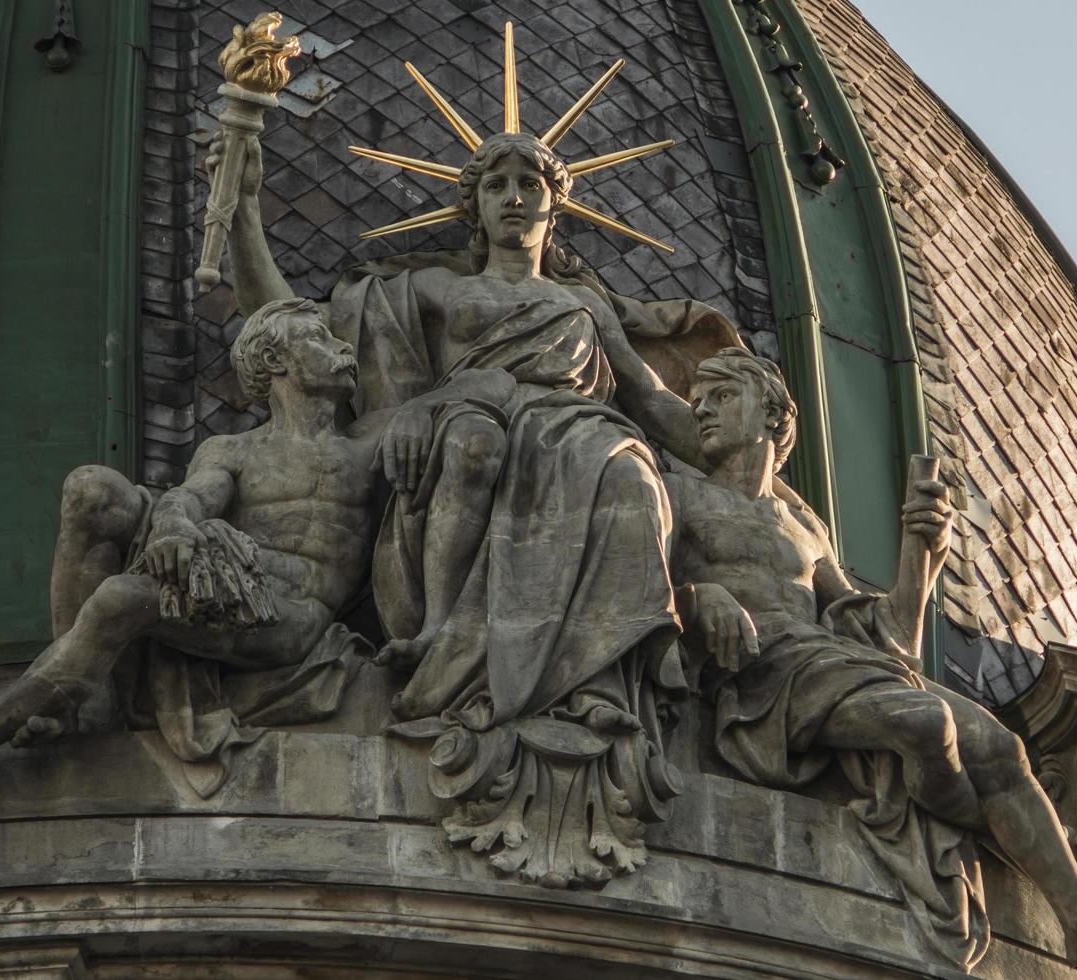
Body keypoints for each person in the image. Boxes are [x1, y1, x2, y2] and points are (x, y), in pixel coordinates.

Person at [219, 131, 728, 750]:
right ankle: (441, 628)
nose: (514, 197)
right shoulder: (435, 288)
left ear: (553, 205)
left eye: (530, 185)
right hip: (468, 413)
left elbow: (649, 398)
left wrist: (749, 471)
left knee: (632, 479)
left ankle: (601, 683)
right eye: (497, 185)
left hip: (578, 426)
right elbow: (287, 331)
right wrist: (244, 207)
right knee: (470, 444)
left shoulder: (585, 303)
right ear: (476, 207)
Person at [664, 348, 1077, 971]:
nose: (701, 408)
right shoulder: (676, 491)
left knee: (1002, 748)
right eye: (698, 398)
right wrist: (696, 595)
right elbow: (629, 575)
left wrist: (921, 552)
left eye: (721, 395)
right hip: (762, 673)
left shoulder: (804, 527)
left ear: (770, 415)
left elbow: (886, 632)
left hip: (829, 660)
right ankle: (975, 819)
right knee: (927, 724)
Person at [0, 298, 429, 802]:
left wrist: (424, 408)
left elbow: (484, 382)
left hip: (292, 616)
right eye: (320, 338)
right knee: (90, 487)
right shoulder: (233, 450)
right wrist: (172, 524)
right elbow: (191, 498)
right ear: (276, 362)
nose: (344, 347)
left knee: (122, 599)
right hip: (229, 587)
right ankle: (82, 694)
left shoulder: (370, 440)